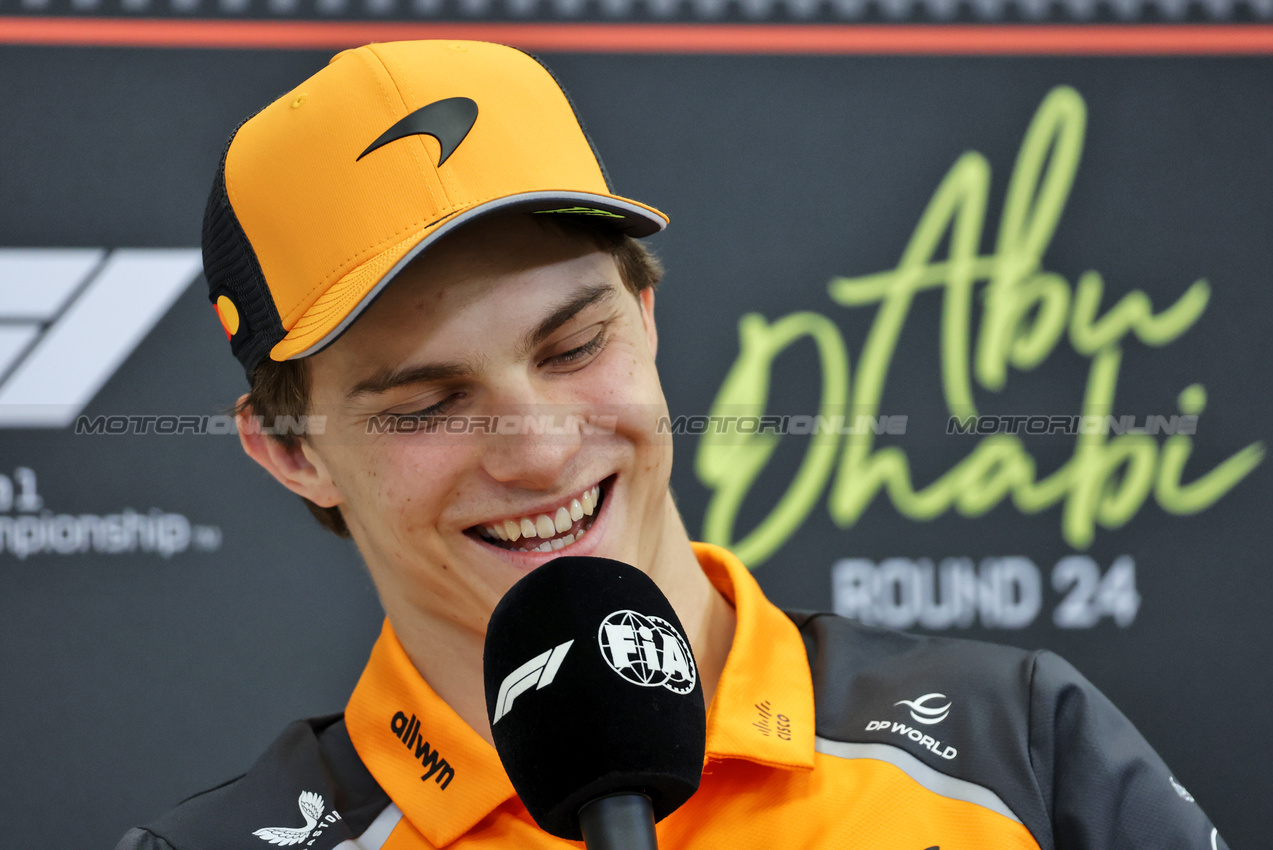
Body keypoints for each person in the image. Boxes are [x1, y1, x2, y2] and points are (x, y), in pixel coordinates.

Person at [117, 39, 1228, 850]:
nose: (542, 451)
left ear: (646, 319)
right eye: (427, 404)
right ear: (291, 449)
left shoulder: (1013, 749)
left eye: (572, 345)